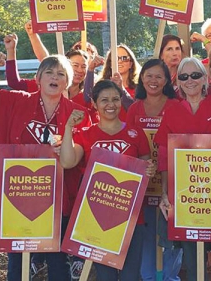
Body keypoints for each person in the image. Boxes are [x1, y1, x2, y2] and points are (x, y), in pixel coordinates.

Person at [0, 51, 91, 281]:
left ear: (68, 81)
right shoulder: (12, 101)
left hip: (57, 197)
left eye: (61, 73)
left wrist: (67, 148)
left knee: (57, 260)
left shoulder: (79, 114)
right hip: (17, 193)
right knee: (18, 260)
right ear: (38, 78)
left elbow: (82, 158)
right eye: (49, 72)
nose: (55, 77)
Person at [60, 80, 156, 281]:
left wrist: (150, 170)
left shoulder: (135, 133)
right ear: (94, 104)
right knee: (106, 276)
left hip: (131, 217)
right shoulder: (85, 134)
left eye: (115, 99)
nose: (110, 104)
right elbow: (68, 162)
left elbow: (146, 167)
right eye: (104, 100)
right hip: (97, 218)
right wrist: (68, 127)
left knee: (131, 275)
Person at [154, 57, 211, 281]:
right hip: (187, 198)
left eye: (195, 75)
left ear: (204, 78)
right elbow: (164, 155)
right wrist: (164, 192)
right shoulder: (171, 110)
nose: (189, 80)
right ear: (178, 82)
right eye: (184, 76)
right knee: (193, 265)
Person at [126, 59, 183, 281]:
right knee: (147, 236)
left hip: (172, 182)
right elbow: (129, 145)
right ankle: (150, 277)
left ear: (167, 81)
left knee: (170, 238)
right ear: (141, 77)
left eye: (159, 76)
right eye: (149, 75)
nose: (153, 80)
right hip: (144, 185)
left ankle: (169, 277)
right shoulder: (134, 108)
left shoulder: (175, 106)